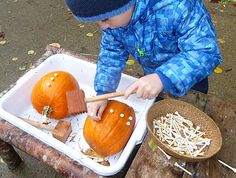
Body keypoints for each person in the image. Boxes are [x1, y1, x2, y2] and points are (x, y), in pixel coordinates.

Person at [65, 0, 222, 120]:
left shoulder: (179, 7)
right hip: (151, 78)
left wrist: (163, 77)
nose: (103, 27)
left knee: (188, 121)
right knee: (160, 116)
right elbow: (111, 52)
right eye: (97, 21)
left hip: (191, 81)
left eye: (105, 19)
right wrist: (104, 91)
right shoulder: (115, 21)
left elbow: (205, 52)